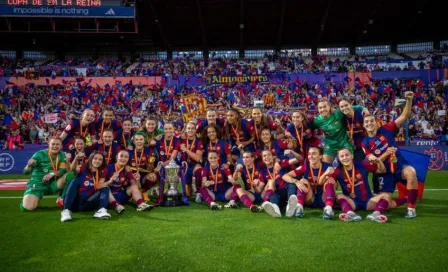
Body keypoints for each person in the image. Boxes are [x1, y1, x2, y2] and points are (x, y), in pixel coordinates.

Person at [362, 91, 419, 218]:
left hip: (399, 166)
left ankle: (411, 209)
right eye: (366, 122)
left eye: (371, 121)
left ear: (376, 122)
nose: (369, 124)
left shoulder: (386, 129)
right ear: (364, 126)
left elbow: (404, 116)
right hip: (383, 172)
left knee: (411, 173)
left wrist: (409, 100)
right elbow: (373, 162)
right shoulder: (365, 143)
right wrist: (386, 154)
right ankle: (405, 199)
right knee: (384, 202)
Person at [320, 148, 391, 223]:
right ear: (339, 159)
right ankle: (350, 214)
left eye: (347, 155)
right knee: (339, 195)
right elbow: (321, 182)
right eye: (342, 156)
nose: (345, 158)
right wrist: (325, 174)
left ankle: (376, 214)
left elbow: (382, 170)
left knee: (386, 196)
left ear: (352, 156)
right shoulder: (337, 170)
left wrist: (378, 161)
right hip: (352, 202)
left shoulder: (362, 164)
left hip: (368, 201)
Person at [282, 146, 336, 219]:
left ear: (320, 156)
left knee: (330, 181)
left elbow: (335, 185)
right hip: (310, 199)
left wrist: (333, 182)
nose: (311, 156)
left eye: (314, 154)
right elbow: (284, 176)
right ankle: (299, 208)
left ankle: (328, 209)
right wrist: (296, 181)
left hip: (324, 199)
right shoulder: (305, 167)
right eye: (309, 154)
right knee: (303, 181)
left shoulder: (328, 167)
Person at [60, 152, 112, 222]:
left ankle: (101, 210)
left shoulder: (101, 172)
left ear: (102, 162)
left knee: (105, 187)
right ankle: (66, 210)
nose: (97, 161)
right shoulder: (83, 168)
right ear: (91, 159)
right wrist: (76, 158)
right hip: (75, 202)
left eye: (100, 159)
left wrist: (109, 181)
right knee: (75, 180)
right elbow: (73, 169)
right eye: (95, 158)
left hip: (88, 202)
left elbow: (98, 186)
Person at [21, 137, 68, 211]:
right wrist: (28, 165)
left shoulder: (62, 155)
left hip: (53, 184)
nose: (55, 146)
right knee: (28, 208)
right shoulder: (39, 154)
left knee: (69, 175)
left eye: (57, 144)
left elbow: (62, 170)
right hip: (38, 184)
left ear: (61, 146)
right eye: (53, 144)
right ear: (49, 145)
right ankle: (34, 198)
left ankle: (61, 198)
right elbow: (26, 172)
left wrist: (51, 174)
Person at [313, 98, 364, 164]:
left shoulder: (338, 113)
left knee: (347, 164)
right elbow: (312, 130)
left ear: (329, 107)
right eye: (320, 108)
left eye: (325, 107)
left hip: (344, 142)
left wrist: (364, 109)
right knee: (325, 164)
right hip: (330, 144)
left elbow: (351, 107)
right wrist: (318, 142)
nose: (323, 109)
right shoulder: (317, 121)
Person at [180, 122, 204, 196]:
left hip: (195, 164)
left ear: (195, 130)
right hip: (185, 165)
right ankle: (191, 188)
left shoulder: (199, 142)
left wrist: (186, 149)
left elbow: (197, 158)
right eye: (189, 128)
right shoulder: (181, 140)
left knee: (199, 171)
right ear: (186, 130)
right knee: (188, 195)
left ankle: (199, 191)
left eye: (192, 128)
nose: (190, 130)